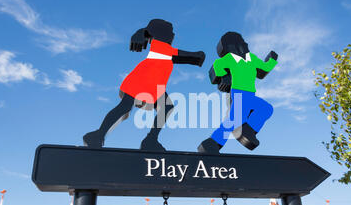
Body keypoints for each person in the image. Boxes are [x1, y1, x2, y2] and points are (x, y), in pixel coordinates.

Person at [84, 19, 205, 151]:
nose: (173, 35)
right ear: (162, 33)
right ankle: (99, 135)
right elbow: (179, 54)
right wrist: (196, 54)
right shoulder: (161, 47)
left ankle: (150, 139)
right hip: (141, 80)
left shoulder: (161, 47)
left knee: (163, 107)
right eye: (171, 32)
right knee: (125, 107)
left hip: (153, 84)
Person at [198, 32, 278, 154]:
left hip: (251, 94)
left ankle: (248, 130)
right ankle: (213, 143)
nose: (245, 43)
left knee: (266, 108)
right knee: (235, 119)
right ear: (232, 46)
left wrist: (272, 60)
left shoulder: (252, 58)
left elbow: (264, 68)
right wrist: (224, 78)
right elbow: (217, 65)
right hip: (239, 93)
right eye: (242, 41)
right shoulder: (230, 58)